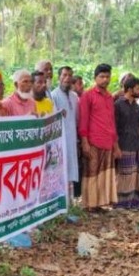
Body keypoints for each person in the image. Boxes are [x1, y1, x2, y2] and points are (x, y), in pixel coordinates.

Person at [78, 64, 120, 211]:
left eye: (107, 76)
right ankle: (90, 204)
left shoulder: (109, 97)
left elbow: (112, 121)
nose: (105, 79)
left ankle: (100, 203)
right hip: (93, 141)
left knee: (105, 173)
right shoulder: (87, 96)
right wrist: (84, 142)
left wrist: (116, 145)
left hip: (108, 141)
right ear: (95, 78)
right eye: (102, 76)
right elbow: (83, 121)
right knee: (92, 173)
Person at [114, 77, 139, 209]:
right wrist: (116, 147)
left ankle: (134, 201)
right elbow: (114, 127)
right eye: (137, 88)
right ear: (130, 89)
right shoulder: (118, 105)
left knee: (136, 173)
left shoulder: (136, 105)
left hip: (136, 144)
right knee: (124, 174)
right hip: (124, 144)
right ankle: (121, 203)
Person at [51, 66, 80, 197]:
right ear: (59, 77)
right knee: (60, 171)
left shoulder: (75, 97)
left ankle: (71, 203)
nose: (67, 78)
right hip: (59, 142)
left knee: (71, 171)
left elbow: (77, 119)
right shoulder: (53, 95)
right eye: (64, 75)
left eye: (69, 75)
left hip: (72, 139)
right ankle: (62, 204)